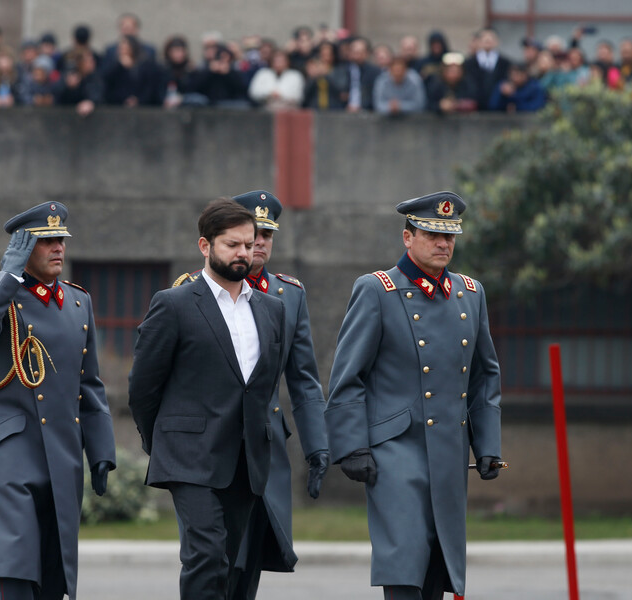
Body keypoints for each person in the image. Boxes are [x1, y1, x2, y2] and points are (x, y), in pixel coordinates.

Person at [326, 191, 502, 600]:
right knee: (404, 566)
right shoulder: (377, 289)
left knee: (438, 573)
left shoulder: (471, 293)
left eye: (450, 236)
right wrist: (351, 445)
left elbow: (483, 377)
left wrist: (488, 443)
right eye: (432, 234)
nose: (443, 244)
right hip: (395, 452)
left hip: (449, 450)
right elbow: (348, 375)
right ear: (408, 237)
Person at [172, 191, 330, 599]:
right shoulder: (192, 291)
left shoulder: (289, 294)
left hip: (264, 451)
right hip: (210, 451)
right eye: (251, 235)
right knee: (214, 560)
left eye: (266, 235)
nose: (258, 243)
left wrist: (318, 448)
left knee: (251, 563)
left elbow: (304, 379)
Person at [0, 201, 116, 600]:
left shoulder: (78, 302)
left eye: (61, 239)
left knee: (51, 575)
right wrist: (9, 272)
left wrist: (100, 450)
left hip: (60, 455)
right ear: (24, 247)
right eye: (47, 241)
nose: (59, 247)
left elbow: (89, 384)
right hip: (7, 455)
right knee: (15, 572)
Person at [129, 199, 286, 600]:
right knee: (206, 556)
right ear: (205, 246)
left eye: (249, 245)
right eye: (232, 245)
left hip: (245, 459)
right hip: (188, 455)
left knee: (231, 563)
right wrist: (162, 441)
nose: (244, 254)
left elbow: (262, 387)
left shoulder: (272, 310)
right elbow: (143, 386)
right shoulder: (174, 303)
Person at [463, 28, 511, 110]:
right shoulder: (468, 63)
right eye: (484, 37)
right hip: (474, 109)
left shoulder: (505, 63)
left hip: (499, 109)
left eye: (491, 37)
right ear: (478, 41)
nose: (488, 40)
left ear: (497, 41)